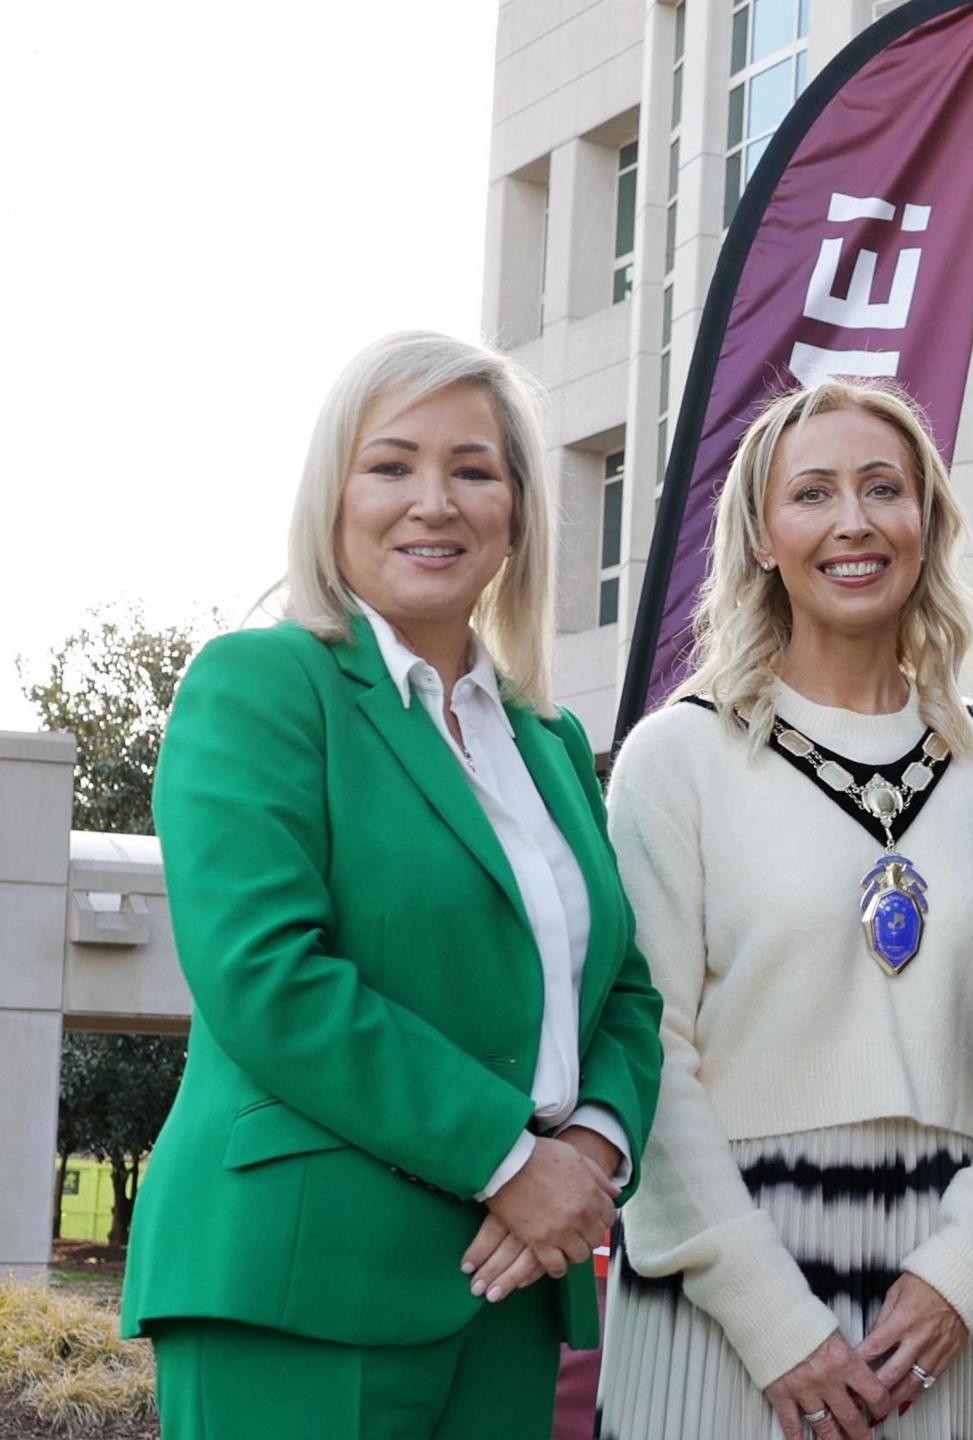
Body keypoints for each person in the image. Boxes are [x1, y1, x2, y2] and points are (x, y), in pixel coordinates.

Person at [124, 331, 665, 1439]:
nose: (435, 502)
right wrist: (511, 1160)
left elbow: (625, 993)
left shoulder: (549, 742)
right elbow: (267, 977)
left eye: (473, 470)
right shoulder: (261, 685)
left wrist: (590, 1153)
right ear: (334, 498)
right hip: (301, 1282)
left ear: (517, 510)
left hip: (507, 1289)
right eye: (392, 465)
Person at [597, 377, 973, 1440]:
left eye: (883, 488)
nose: (852, 522)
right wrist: (772, 1320)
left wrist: (969, 1270)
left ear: (926, 521)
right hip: (723, 1277)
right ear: (761, 534)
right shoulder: (680, 757)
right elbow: (643, 1046)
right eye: (812, 494)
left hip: (938, 1296)